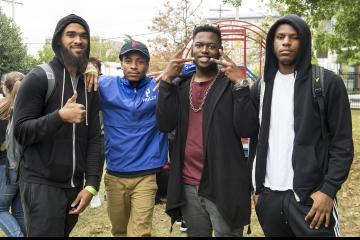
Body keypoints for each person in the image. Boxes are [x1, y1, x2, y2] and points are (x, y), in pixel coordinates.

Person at [251, 14, 354, 237]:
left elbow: (342, 144)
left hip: (311, 200)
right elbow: (254, 138)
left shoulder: (328, 83)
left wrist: (327, 191)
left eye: (293, 37)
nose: (286, 42)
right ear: (272, 43)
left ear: (304, 41)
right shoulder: (261, 87)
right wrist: (258, 190)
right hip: (269, 199)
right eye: (280, 37)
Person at [156, 24, 258, 237]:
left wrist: (240, 84)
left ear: (220, 51)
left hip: (224, 183)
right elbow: (165, 124)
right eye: (199, 45)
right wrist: (166, 81)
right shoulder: (180, 86)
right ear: (192, 50)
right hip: (188, 182)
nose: (204, 50)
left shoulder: (230, 85)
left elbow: (247, 128)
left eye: (211, 46)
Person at [13, 14, 102, 237]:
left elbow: (94, 138)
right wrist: (59, 117)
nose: (78, 40)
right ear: (58, 40)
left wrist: (91, 185)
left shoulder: (88, 84)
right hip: (41, 185)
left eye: (83, 36)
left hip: (74, 187)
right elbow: (21, 132)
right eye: (70, 34)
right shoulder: (40, 77)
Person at [99, 40, 168, 237]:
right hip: (114, 175)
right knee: (119, 231)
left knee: (140, 232)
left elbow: (191, 66)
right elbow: (77, 74)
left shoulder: (158, 85)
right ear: (121, 62)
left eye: (140, 61)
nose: (134, 66)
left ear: (147, 64)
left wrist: (170, 69)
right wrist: (89, 69)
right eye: (128, 60)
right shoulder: (106, 85)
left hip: (146, 175)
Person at [0, 72, 26, 237]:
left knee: (1, 209)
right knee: (19, 212)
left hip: (6, 167)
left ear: (5, 88)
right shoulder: (29, 110)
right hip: (25, 166)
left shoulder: (2, 112)